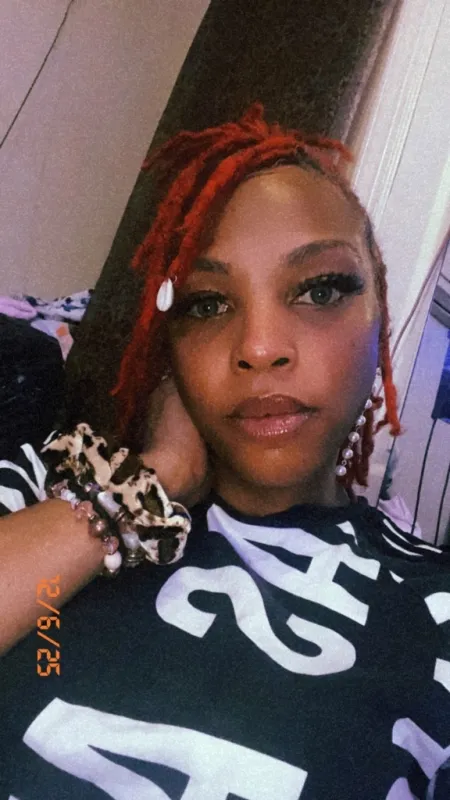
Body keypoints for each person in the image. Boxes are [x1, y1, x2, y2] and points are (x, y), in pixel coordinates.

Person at [0, 105, 449, 799]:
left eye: (320, 289)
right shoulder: (56, 481)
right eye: (207, 304)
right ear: (169, 343)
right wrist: (154, 482)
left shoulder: (435, 605)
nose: (260, 347)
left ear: (378, 320)